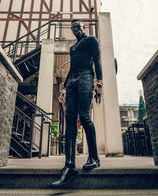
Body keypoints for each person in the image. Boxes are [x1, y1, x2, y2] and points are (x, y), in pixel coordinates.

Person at [51, 19, 103, 188]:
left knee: (84, 116)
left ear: (83, 27)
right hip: (72, 81)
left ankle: (94, 157)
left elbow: (96, 61)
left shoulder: (91, 40)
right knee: (70, 119)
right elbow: (72, 68)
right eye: (73, 28)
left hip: (86, 77)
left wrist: (99, 84)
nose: (76, 29)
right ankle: (70, 165)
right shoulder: (72, 48)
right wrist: (64, 87)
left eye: (78, 27)